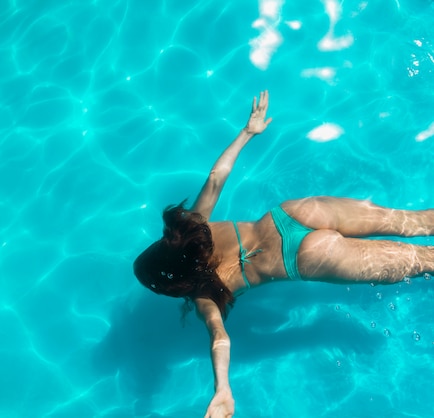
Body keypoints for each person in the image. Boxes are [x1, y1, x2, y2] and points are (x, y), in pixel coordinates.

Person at [132, 90, 434, 418]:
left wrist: (223, 388)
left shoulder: (206, 295)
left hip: (303, 257)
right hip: (294, 214)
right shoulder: (194, 226)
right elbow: (216, 178)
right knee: (419, 220)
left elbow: (220, 338)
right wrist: (248, 131)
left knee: (425, 261)